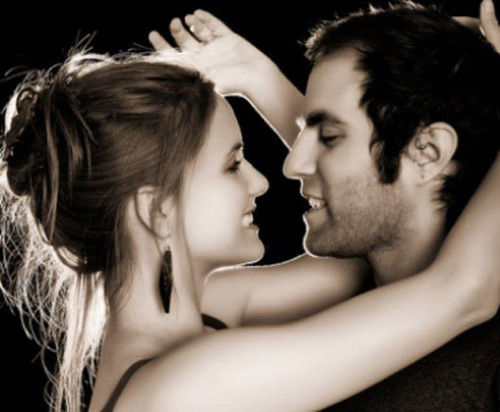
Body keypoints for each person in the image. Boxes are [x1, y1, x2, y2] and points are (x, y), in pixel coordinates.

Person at [0, 13, 499, 412]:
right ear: (156, 212)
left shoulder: (209, 310)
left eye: (326, 136)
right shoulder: (186, 388)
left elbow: (374, 222)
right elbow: (461, 289)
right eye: (232, 164)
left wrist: (260, 80)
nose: (265, 179)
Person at [148, 0, 500, 410]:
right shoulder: (335, 290)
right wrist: (259, 79)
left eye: (329, 136)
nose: (290, 165)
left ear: (428, 151)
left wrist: (258, 78)